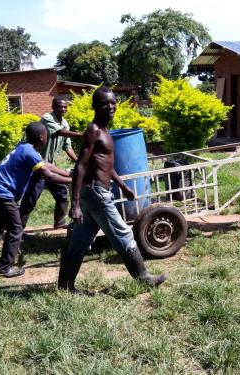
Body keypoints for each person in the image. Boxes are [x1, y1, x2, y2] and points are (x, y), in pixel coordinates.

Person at [57, 87, 166, 293]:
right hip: (96, 193)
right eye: (105, 103)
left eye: (113, 102)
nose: (111, 107)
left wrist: (123, 186)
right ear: (95, 106)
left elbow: (106, 165)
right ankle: (143, 278)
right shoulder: (94, 131)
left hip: (94, 193)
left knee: (80, 240)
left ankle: (65, 286)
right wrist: (75, 204)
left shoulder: (104, 132)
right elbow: (81, 166)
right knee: (123, 232)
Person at [0, 122, 72, 278]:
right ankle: (4, 268)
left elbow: (47, 165)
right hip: (2, 195)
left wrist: (68, 173)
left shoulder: (24, 147)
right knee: (16, 229)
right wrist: (76, 180)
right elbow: (49, 175)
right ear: (41, 137)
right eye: (46, 136)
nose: (47, 138)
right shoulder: (30, 152)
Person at [19, 96, 81, 231]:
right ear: (53, 107)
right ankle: (17, 230)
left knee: (62, 195)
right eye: (60, 106)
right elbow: (60, 132)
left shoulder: (65, 123)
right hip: (37, 165)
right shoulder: (47, 118)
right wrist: (83, 135)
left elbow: (67, 147)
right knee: (30, 200)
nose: (63, 109)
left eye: (65, 107)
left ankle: (59, 223)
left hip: (50, 165)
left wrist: (79, 162)